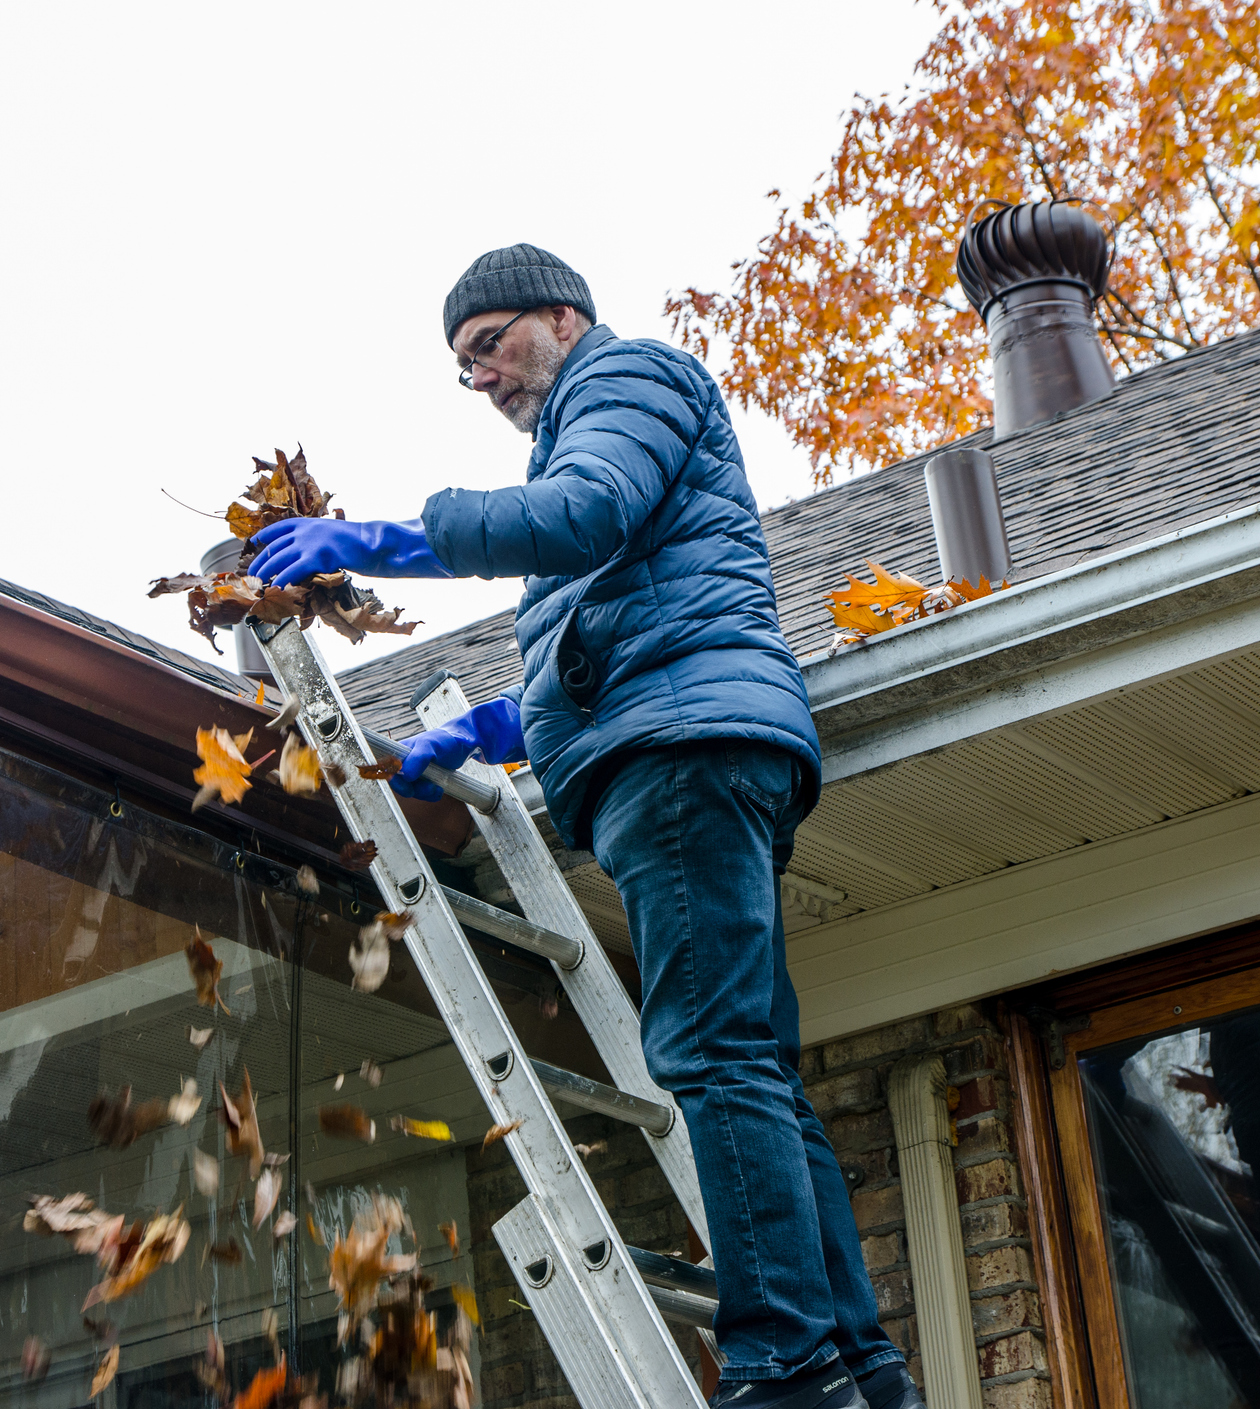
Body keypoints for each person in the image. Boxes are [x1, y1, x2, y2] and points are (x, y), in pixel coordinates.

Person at [251, 245, 918, 1409]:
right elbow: (632, 618)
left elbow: (583, 513)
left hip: (679, 757)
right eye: (463, 369)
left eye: (491, 346)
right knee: (750, 1061)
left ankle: (783, 1362)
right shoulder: (598, 423)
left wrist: (377, 541)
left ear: (563, 316)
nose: (483, 381)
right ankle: (856, 1363)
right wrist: (501, 727)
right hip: (695, 744)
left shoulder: (623, 383)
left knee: (710, 1056)